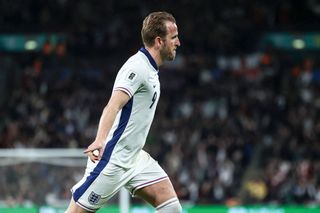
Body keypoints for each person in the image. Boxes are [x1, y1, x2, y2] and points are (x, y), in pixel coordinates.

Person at [66, 11, 181, 213]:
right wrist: (100, 140)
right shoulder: (137, 67)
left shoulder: (151, 68)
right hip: (114, 158)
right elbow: (113, 105)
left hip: (134, 158)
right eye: (174, 37)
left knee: (171, 207)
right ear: (159, 41)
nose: (178, 43)